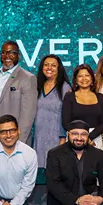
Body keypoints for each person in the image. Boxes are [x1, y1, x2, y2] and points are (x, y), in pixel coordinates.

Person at [62, 64, 103, 205]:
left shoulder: (100, 97)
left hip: (95, 140)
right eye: (80, 76)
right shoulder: (70, 97)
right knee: (75, 179)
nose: (83, 79)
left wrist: (90, 137)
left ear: (92, 78)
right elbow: (65, 122)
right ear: (75, 79)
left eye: (87, 76)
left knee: (91, 180)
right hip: (75, 139)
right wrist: (81, 136)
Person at [0, 40, 37, 144]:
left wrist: (18, 141)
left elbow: (27, 115)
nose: (7, 55)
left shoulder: (27, 78)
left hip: (12, 137)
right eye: (4, 52)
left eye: (12, 52)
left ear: (18, 55)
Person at [34, 54, 71, 184]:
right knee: (39, 175)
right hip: (38, 136)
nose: (49, 68)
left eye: (53, 65)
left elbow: (67, 114)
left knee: (55, 173)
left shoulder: (65, 88)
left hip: (56, 136)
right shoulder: (36, 85)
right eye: (46, 64)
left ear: (59, 68)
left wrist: (63, 137)